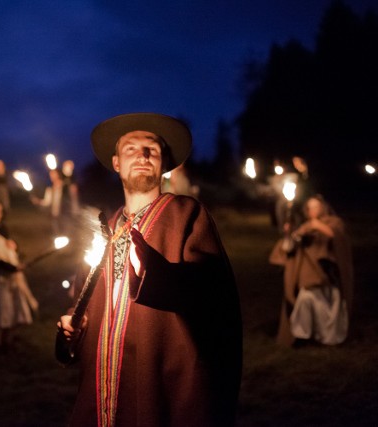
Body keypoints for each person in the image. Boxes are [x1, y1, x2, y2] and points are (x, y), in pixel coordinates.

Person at [57, 113, 242, 427]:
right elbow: (84, 299)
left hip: (160, 386)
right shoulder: (105, 230)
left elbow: (212, 295)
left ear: (164, 161)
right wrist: (73, 326)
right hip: (103, 389)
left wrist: (154, 273)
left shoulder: (186, 216)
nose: (142, 155)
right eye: (131, 149)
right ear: (116, 163)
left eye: (151, 149)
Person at [269, 195, 353, 346]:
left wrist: (317, 225)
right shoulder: (304, 226)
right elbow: (288, 246)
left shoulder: (334, 221)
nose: (312, 210)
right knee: (306, 301)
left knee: (327, 307)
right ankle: (304, 335)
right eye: (309, 207)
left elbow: (337, 237)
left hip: (327, 274)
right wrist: (290, 233)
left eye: (315, 206)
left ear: (323, 207)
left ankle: (328, 337)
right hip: (307, 275)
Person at [0, 199, 38, 351]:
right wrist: (12, 267)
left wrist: (15, 248)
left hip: (10, 277)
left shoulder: (1, 227)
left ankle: (8, 342)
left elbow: (7, 246)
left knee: (12, 311)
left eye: (1, 211)